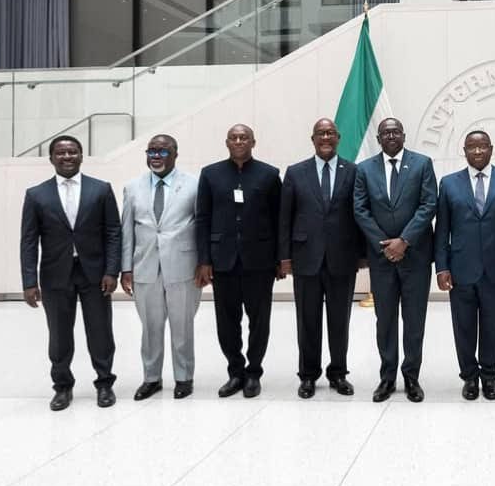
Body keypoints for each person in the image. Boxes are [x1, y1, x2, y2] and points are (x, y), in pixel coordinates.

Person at [20, 135, 121, 411]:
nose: (67, 157)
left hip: (95, 274)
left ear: (81, 156)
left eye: (73, 152)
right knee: (59, 335)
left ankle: (104, 383)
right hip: (55, 276)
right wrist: (29, 281)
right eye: (61, 153)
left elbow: (113, 232)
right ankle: (62, 386)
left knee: (100, 332)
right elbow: (28, 240)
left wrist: (112, 270)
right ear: (51, 158)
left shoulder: (100, 189)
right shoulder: (36, 194)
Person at [434, 130, 495, 401]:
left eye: (482, 147)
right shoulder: (449, 184)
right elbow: (442, 231)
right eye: (472, 148)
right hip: (460, 269)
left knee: (492, 325)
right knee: (463, 326)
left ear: (491, 148)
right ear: (464, 151)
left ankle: (489, 376)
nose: (477, 152)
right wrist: (441, 267)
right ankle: (469, 377)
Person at [279, 118, 366, 399]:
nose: (326, 137)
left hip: (343, 258)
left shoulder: (353, 172)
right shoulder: (295, 172)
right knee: (307, 320)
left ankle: (338, 373)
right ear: (313, 138)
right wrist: (284, 257)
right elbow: (285, 218)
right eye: (320, 133)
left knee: (340, 320)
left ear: (338, 138)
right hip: (306, 259)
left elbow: (360, 215)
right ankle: (308, 375)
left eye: (330, 133)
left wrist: (362, 255)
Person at [195, 124, 282, 399]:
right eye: (234, 137)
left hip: (260, 261)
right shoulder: (210, 175)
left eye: (244, 137)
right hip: (223, 261)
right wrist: (204, 260)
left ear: (253, 142)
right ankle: (235, 371)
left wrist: (281, 259)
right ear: (226, 142)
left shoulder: (269, 175)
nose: (239, 141)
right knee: (226, 321)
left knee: (259, 321)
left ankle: (254, 372)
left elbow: (280, 219)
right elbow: (202, 219)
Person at [353, 118, 438, 403]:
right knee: (385, 320)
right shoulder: (364, 169)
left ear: (403, 135)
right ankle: (387, 377)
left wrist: (404, 241)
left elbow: (429, 204)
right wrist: (385, 245)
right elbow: (360, 209)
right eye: (385, 132)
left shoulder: (422, 164)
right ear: (378, 138)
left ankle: (411, 376)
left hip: (415, 256)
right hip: (382, 258)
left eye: (395, 131)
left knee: (414, 320)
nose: (391, 136)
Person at [120, 134, 201, 401]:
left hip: (183, 266)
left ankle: (183, 377)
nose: (156, 156)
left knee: (182, 326)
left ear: (175, 154)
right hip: (145, 268)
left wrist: (204, 264)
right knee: (150, 327)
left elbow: (202, 226)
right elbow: (127, 231)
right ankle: (151, 378)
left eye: (163, 151)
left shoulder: (194, 184)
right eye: (152, 151)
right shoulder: (132, 188)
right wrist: (126, 268)